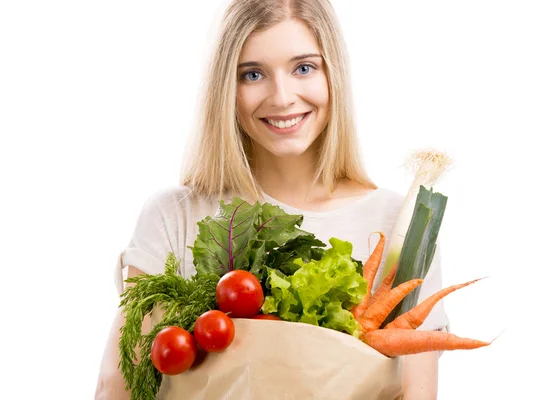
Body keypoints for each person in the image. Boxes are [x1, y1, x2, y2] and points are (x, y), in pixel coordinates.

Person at [95, 0, 449, 399]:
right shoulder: (174, 215)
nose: (282, 97)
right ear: (226, 88)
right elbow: (118, 387)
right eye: (252, 74)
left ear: (333, 73)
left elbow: (416, 395)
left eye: (303, 68)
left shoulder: (399, 226)